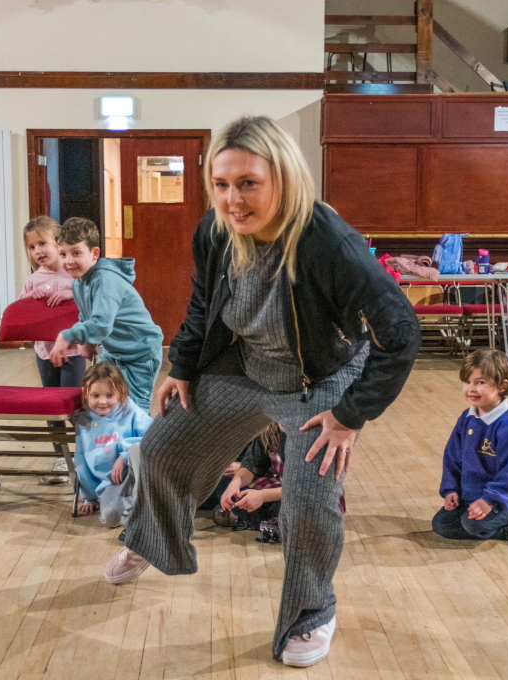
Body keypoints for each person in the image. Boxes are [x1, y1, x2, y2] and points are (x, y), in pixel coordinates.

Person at [102, 115, 420, 668]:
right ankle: (150, 541)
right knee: (159, 448)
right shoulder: (215, 231)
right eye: (222, 184)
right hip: (246, 368)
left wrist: (350, 415)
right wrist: (181, 366)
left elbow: (401, 333)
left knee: (308, 504)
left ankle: (312, 612)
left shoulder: (328, 243)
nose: (233, 199)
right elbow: (203, 305)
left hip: (318, 383)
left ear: (284, 178)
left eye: (249, 183)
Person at [48, 217, 163, 410]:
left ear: (94, 253)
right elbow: (87, 313)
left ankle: (137, 441)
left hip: (139, 353)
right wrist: (87, 342)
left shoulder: (106, 279)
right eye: (63, 254)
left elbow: (101, 324)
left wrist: (67, 335)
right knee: (103, 403)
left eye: (76, 253)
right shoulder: (78, 282)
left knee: (133, 409)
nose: (68, 261)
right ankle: (107, 440)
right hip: (112, 351)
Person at [433, 349, 508, 542]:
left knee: (473, 525)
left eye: (480, 382)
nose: (471, 388)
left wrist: (490, 501)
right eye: (467, 382)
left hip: (503, 501)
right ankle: (491, 526)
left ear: (502, 385)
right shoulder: (466, 418)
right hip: (469, 496)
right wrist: (451, 489)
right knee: (441, 524)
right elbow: (452, 457)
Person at [19, 215, 83, 484]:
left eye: (43, 243)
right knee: (50, 406)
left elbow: (91, 306)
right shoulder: (33, 280)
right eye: (32, 247)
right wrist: (29, 302)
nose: (38, 251)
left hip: (72, 351)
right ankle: (61, 457)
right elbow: (21, 315)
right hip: (44, 351)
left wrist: (72, 294)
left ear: (58, 243)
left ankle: (85, 455)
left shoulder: (76, 274)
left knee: (72, 404)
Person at [75, 363, 151, 527]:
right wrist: (90, 497)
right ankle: (139, 509)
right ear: (86, 394)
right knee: (111, 517)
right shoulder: (83, 422)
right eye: (96, 396)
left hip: (136, 473)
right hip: (113, 485)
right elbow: (82, 464)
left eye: (110, 395)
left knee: (138, 453)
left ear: (121, 393)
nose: (102, 402)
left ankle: (145, 507)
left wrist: (124, 457)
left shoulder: (131, 411)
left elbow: (152, 437)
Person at [217, 423, 285, 535]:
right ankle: (270, 523)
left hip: (296, 494)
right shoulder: (269, 430)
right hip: (278, 486)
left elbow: (303, 489)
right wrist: (234, 485)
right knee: (225, 482)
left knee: (289, 507)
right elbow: (251, 467)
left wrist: (263, 496)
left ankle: (273, 523)